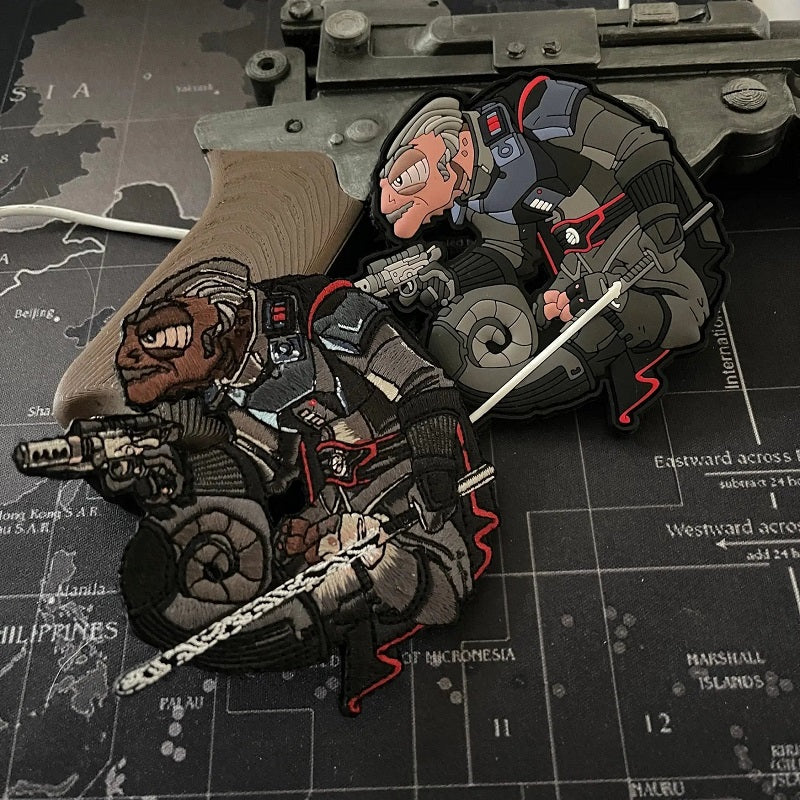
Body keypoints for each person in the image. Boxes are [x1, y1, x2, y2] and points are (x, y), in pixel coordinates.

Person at [108, 257, 498, 713]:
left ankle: (380, 562)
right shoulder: (223, 384)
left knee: (439, 589)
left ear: (218, 311)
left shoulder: (323, 312)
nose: (138, 357)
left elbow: (421, 382)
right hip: (339, 484)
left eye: (163, 336)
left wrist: (434, 466)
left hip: (407, 459)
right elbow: (267, 463)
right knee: (295, 571)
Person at [372, 73, 728, 426]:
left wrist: (659, 216)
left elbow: (636, 144)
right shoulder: (472, 194)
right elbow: (508, 249)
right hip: (579, 262)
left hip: (646, 234)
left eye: (410, 180)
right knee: (534, 336)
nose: (436, 214)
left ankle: (622, 308)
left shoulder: (531, 107)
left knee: (671, 317)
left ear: (444, 148)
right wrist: (452, 278)